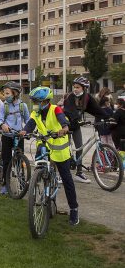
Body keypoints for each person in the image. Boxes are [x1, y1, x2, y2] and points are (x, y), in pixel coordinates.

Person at [20, 86, 79, 226]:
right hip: (44, 144)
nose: (35, 104)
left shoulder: (55, 109)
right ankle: (42, 188)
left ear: (45, 101)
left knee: (66, 179)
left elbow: (63, 121)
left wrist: (64, 128)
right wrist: (24, 131)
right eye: (33, 101)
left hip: (59, 147)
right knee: (41, 169)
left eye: (37, 101)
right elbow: (30, 124)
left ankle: (74, 209)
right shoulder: (36, 113)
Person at [62, 76, 108, 183]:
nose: (75, 89)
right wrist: (77, 120)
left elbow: (96, 109)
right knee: (64, 149)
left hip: (76, 126)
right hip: (65, 126)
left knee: (79, 147)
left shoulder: (87, 98)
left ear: (84, 88)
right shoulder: (70, 97)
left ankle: (79, 173)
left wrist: (108, 117)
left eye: (77, 87)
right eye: (74, 87)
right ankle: (61, 174)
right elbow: (70, 111)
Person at [0, 81, 30, 194]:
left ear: (15, 93)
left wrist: (27, 131)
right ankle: (5, 184)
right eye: (4, 94)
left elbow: (28, 121)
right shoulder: (4, 106)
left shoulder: (22, 106)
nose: (5, 96)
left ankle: (22, 182)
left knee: (20, 161)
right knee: (6, 161)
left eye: (7, 93)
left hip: (19, 136)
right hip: (7, 136)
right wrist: (2, 125)